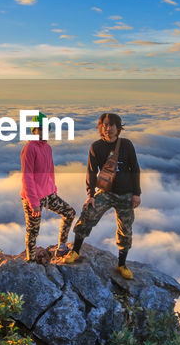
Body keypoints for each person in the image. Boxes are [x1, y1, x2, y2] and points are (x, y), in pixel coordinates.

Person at [58, 112, 140, 279]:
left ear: (118, 127)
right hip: (106, 192)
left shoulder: (127, 145)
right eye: (104, 125)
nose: (107, 128)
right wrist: (91, 195)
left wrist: (136, 193)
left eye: (110, 125)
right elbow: (91, 171)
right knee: (87, 215)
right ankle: (75, 251)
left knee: (125, 229)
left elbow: (135, 169)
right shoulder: (96, 147)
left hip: (125, 193)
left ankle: (122, 264)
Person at [20, 112, 76, 262]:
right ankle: (30, 261)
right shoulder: (29, 148)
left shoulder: (47, 148)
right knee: (33, 231)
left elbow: (50, 171)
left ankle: (62, 246)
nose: (44, 132)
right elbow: (27, 177)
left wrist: (53, 189)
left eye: (46, 129)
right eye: (40, 129)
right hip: (33, 198)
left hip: (49, 194)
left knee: (69, 212)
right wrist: (34, 203)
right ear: (34, 130)